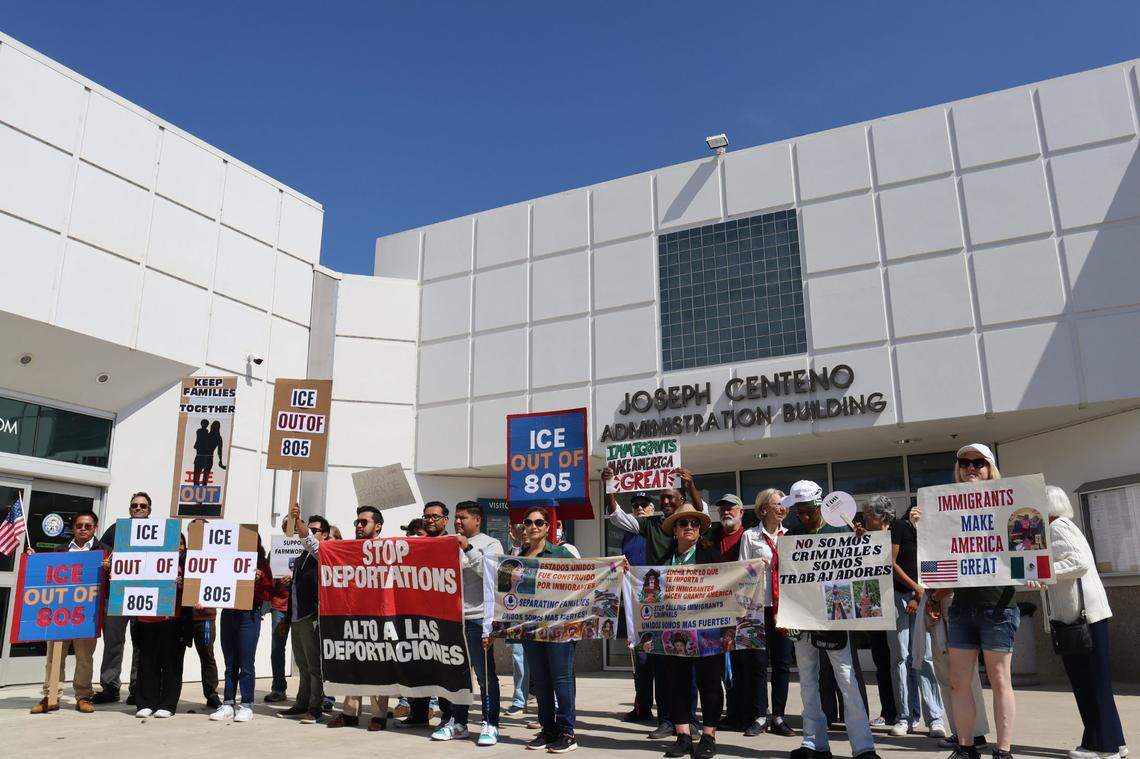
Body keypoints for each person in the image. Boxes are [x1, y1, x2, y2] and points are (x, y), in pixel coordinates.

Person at [927, 444, 1018, 759]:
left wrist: (1034, 567)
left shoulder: (1009, 504)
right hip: (962, 606)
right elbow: (939, 555)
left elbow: (1025, 547)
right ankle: (966, 747)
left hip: (998, 605)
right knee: (957, 682)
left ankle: (1003, 751)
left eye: (978, 463)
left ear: (990, 468)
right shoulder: (947, 510)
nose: (971, 468)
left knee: (999, 680)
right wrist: (921, 523)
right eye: (965, 463)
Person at [603, 468, 706, 741]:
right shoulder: (651, 525)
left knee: (689, 666)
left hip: (689, 606)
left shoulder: (691, 523)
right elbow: (617, 516)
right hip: (660, 607)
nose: (667, 501)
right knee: (662, 666)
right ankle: (665, 720)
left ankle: (691, 720)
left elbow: (701, 511)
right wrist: (610, 485)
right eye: (663, 498)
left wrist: (691, 484)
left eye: (672, 497)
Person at [783, 481, 878, 759]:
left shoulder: (841, 531)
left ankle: (863, 747)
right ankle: (813, 743)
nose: (802, 516)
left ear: (820, 506)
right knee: (808, 681)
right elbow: (787, 577)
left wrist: (860, 540)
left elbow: (865, 567)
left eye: (808, 511)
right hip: (801, 617)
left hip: (834, 615)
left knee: (847, 679)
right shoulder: (792, 535)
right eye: (798, 511)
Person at [1041, 486, 1126, 759]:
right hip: (1087, 615)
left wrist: (1043, 571)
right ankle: (1112, 741)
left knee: (1088, 682)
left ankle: (1104, 747)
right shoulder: (1067, 526)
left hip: (1080, 617)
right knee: (1095, 682)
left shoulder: (1057, 528)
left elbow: (1077, 563)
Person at [431, 501, 505, 745]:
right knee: (457, 675)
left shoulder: (491, 544)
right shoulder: (449, 541)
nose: (458, 522)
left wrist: (468, 548)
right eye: (456, 518)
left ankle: (490, 723)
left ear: (477, 520)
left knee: (484, 675)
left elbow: (493, 576)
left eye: (463, 518)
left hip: (478, 619)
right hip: (453, 620)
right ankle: (458, 722)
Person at [510, 507, 579, 754]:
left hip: (560, 628)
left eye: (539, 522)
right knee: (540, 681)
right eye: (528, 522)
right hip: (531, 628)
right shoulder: (520, 556)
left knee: (561, 679)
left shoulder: (562, 553)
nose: (533, 526)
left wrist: (615, 569)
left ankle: (567, 733)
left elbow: (586, 579)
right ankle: (548, 729)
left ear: (548, 527)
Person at [659, 503, 724, 759]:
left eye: (694, 523)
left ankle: (708, 736)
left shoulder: (712, 556)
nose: (689, 527)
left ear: (700, 530)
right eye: (683, 523)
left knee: (709, 683)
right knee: (677, 684)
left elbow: (731, 583)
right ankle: (683, 736)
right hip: (674, 631)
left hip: (707, 631)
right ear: (674, 529)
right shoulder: (664, 560)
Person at [880, 495, 946, 738]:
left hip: (923, 596)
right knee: (901, 656)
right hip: (898, 595)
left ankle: (935, 718)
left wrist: (921, 594)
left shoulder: (933, 533)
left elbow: (930, 565)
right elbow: (892, 562)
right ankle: (904, 716)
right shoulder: (900, 526)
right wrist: (914, 590)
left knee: (926, 656)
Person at [30, 511, 108, 715]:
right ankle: (51, 696)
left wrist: (110, 570)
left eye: (88, 526)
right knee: (54, 657)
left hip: (87, 614)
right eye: (79, 525)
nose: (83, 529)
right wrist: (33, 561)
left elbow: (114, 583)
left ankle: (83, 696)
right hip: (60, 614)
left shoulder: (106, 552)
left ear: (95, 528)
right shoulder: (60, 550)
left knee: (84, 658)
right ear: (73, 528)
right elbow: (46, 576)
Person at [325, 506, 393, 731]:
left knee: (377, 668)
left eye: (364, 522)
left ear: (378, 526)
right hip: (352, 617)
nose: (359, 526)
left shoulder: (389, 549)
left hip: (381, 618)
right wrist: (303, 531)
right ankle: (349, 714)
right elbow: (320, 552)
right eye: (357, 522)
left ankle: (378, 716)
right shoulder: (348, 549)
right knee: (352, 666)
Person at [736, 488, 795, 737]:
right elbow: (742, 572)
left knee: (782, 664)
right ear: (763, 509)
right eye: (776, 504)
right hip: (758, 608)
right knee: (758, 664)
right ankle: (760, 715)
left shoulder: (791, 536)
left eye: (784, 505)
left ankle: (779, 716)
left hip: (785, 609)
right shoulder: (750, 537)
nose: (782, 508)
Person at [397, 501, 452, 729]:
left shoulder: (452, 543)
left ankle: (449, 716)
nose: (430, 520)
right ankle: (418, 713)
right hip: (417, 614)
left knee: (446, 668)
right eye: (427, 516)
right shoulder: (414, 545)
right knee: (418, 666)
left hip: (446, 616)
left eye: (435, 517)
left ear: (445, 520)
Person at [92, 491, 150, 705]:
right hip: (116, 594)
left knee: (140, 645)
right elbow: (101, 552)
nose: (138, 509)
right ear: (129, 509)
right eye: (134, 505)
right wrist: (106, 563)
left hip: (143, 595)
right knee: (113, 643)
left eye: (142, 506)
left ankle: (137, 688)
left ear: (149, 510)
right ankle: (110, 688)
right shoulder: (116, 530)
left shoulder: (157, 533)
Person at [210, 537, 273, 722]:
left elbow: (269, 593)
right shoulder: (226, 561)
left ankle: (246, 704)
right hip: (229, 613)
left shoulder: (261, 563)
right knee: (230, 664)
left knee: (246, 663)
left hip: (249, 614)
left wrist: (260, 580)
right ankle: (228, 703)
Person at [277, 506, 329, 723]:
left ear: (324, 535)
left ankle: (315, 707)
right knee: (302, 664)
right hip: (298, 617)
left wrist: (297, 520)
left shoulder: (324, 554)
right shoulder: (301, 558)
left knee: (315, 666)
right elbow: (295, 592)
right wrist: (287, 620)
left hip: (312, 616)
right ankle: (302, 703)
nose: (310, 533)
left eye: (314, 530)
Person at [133, 532, 192, 718]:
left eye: (180, 543)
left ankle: (167, 703)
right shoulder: (146, 559)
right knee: (147, 662)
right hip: (146, 618)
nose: (177, 546)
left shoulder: (188, 564)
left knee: (171, 663)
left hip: (172, 620)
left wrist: (183, 584)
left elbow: (197, 589)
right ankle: (145, 702)